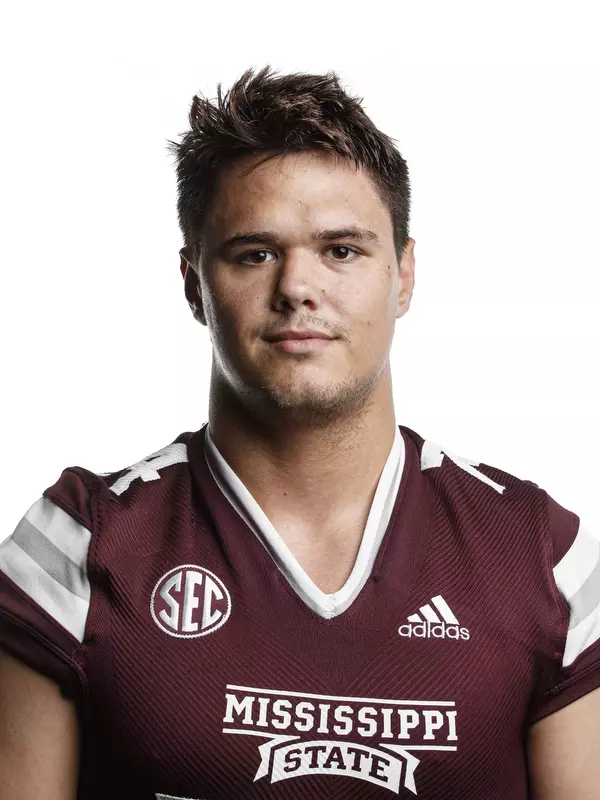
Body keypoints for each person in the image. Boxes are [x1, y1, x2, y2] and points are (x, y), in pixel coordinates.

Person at [0, 65, 598, 800]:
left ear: (403, 274)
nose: (297, 288)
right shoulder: (78, 547)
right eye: (255, 253)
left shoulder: (541, 560)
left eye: (341, 250)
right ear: (194, 284)